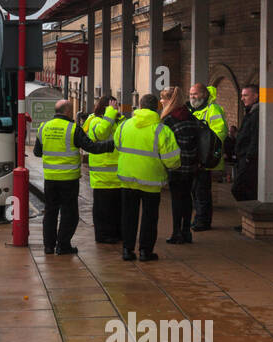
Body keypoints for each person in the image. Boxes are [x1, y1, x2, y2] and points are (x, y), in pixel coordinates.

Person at [34, 99, 115, 255]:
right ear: (68, 112)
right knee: (69, 214)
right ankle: (63, 246)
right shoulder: (73, 129)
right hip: (68, 179)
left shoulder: (43, 127)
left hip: (50, 178)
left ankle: (48, 246)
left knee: (50, 212)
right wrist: (113, 144)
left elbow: (37, 152)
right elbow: (92, 147)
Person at [115, 93, 180, 261]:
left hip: (127, 179)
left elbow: (117, 144)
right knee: (149, 218)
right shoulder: (161, 129)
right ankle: (145, 251)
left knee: (128, 216)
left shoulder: (124, 125)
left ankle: (127, 250)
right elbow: (172, 159)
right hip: (151, 181)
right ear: (157, 108)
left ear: (140, 106)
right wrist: (173, 167)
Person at [160, 86, 200, 244]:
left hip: (176, 165)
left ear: (170, 100)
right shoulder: (190, 116)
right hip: (191, 164)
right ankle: (186, 231)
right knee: (187, 197)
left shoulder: (169, 119)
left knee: (176, 199)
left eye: (163, 98)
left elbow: (165, 144)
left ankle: (176, 232)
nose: (161, 101)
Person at [187, 82, 228, 231]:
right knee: (195, 191)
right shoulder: (192, 109)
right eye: (191, 94)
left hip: (205, 160)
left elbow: (220, 133)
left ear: (204, 94)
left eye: (195, 94)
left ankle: (203, 222)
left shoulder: (213, 109)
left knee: (202, 192)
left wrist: (207, 152)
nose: (192, 97)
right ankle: (199, 219)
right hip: (195, 158)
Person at [83, 95, 124, 243]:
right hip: (102, 175)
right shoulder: (94, 120)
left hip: (119, 175)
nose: (116, 108)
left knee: (117, 210)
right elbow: (101, 133)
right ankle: (103, 235)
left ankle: (117, 234)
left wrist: (113, 116)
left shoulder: (119, 121)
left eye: (116, 106)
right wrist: (110, 115)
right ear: (105, 107)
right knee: (103, 210)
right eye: (113, 106)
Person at [232, 84, 260, 215]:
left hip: (248, 159)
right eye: (242, 95)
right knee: (247, 189)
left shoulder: (256, 114)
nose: (242, 98)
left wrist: (249, 157)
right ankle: (249, 216)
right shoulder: (250, 112)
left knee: (238, 188)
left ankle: (251, 213)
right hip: (243, 157)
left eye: (245, 95)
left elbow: (255, 137)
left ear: (256, 96)